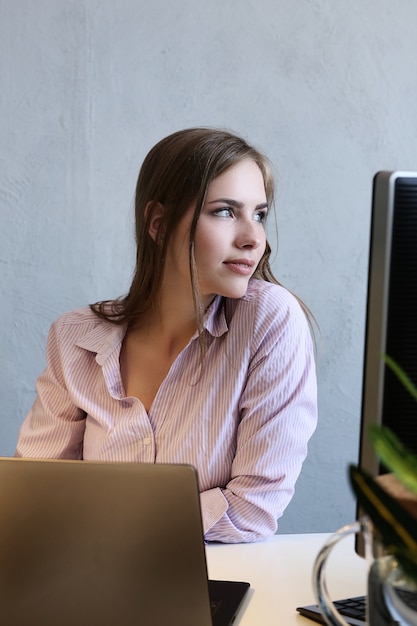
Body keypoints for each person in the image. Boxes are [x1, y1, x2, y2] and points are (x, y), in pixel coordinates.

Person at [15, 127, 318, 543]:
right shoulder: (76, 338)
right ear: (159, 223)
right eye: (226, 211)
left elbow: (254, 507)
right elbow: (33, 492)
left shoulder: (270, 320)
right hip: (89, 583)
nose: (254, 239)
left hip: (212, 580)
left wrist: (111, 529)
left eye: (260, 214)